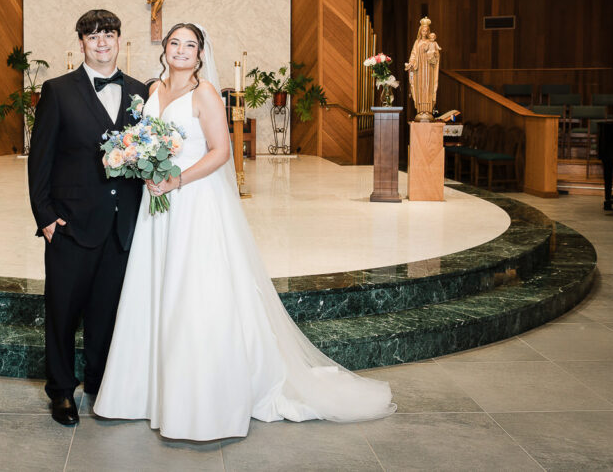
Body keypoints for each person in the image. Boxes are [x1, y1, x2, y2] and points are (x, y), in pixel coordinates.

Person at [93, 23, 396, 441]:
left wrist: (175, 179)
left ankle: (201, 401)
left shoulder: (206, 93)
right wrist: (141, 164)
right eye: (175, 43)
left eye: (191, 45)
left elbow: (221, 152)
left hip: (194, 203)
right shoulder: (153, 91)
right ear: (164, 49)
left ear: (200, 55)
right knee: (155, 287)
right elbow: (145, 140)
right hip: (157, 206)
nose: (182, 50)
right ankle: (147, 393)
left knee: (192, 291)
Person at [27, 9, 149, 426]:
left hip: (121, 225)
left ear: (119, 40)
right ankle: (61, 391)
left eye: (109, 35)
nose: (101, 42)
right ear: (81, 43)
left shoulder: (139, 92)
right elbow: (39, 159)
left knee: (107, 312)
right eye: (92, 36)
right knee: (63, 311)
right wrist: (45, 217)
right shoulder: (58, 90)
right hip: (70, 224)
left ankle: (100, 384)